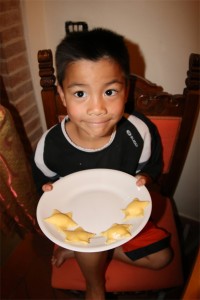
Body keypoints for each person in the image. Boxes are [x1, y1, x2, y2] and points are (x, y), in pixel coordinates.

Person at [33, 28, 172, 300]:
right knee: (90, 246)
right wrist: (47, 188)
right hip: (81, 222)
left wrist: (146, 177)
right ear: (62, 94)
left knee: (162, 258)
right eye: (80, 94)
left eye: (110, 91)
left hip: (123, 217)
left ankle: (86, 252)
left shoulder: (139, 131)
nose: (97, 108)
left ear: (126, 90)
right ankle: (94, 284)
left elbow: (152, 167)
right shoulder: (50, 145)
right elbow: (42, 180)